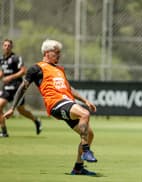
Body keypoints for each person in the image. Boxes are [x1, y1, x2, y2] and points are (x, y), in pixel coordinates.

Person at [4, 39, 97, 175]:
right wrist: (13, 108)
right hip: (55, 104)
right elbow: (22, 88)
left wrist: (85, 100)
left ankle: (78, 168)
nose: (59, 55)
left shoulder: (59, 69)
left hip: (67, 102)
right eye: (56, 53)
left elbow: (69, 88)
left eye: (60, 53)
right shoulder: (36, 68)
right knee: (85, 114)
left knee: (89, 134)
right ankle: (86, 151)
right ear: (47, 53)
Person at [0, 39, 42, 137]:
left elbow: (23, 71)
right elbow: (2, 72)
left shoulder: (16, 58)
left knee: (21, 110)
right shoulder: (1, 59)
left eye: (9, 45)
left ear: (11, 47)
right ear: (2, 46)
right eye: (5, 45)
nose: (7, 47)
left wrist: (10, 77)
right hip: (6, 88)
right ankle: (4, 131)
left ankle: (36, 121)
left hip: (16, 87)